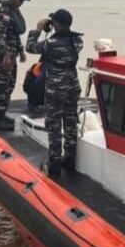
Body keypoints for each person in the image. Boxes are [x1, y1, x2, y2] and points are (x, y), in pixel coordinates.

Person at [26, 9, 84, 177]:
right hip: (72, 85)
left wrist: (37, 29)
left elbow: (30, 47)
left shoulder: (51, 44)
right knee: (71, 122)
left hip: (56, 88)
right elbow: (65, 40)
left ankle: (55, 164)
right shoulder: (78, 41)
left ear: (57, 24)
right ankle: (70, 159)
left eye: (54, 22)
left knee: (54, 125)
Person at [0, 0, 29, 130]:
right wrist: (5, 54)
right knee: (1, 86)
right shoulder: (3, 13)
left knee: (10, 84)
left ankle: (3, 113)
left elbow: (14, 34)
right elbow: (0, 35)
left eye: (23, 0)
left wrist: (21, 50)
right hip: (1, 56)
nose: (21, 2)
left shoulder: (13, 12)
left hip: (11, 55)